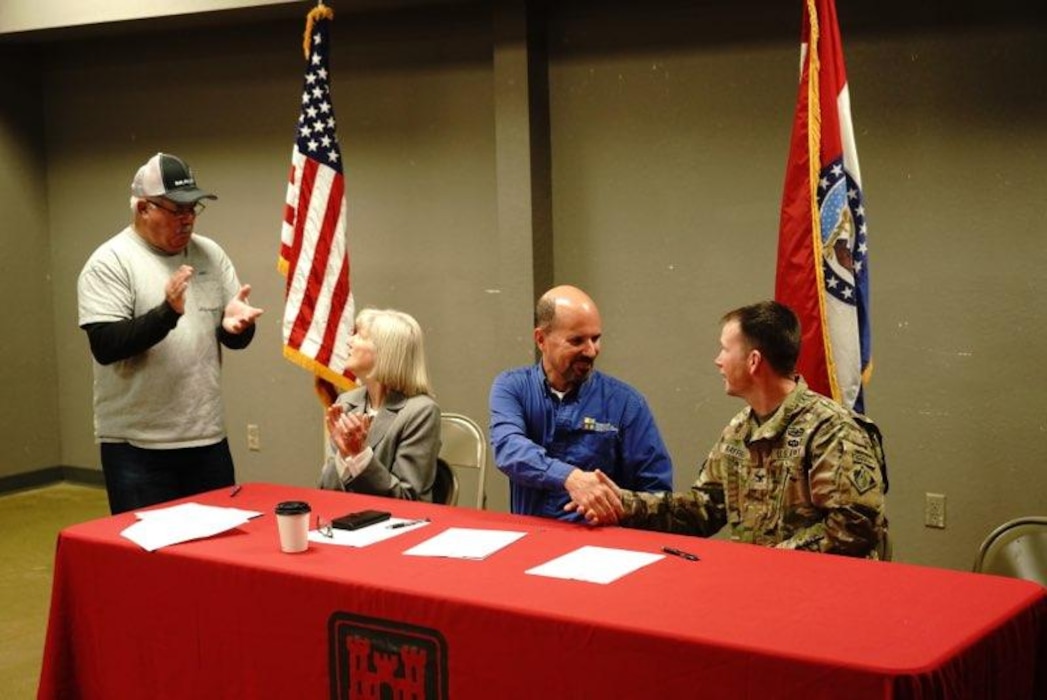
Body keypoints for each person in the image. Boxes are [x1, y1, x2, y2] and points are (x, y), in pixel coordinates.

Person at [577, 300, 887, 558]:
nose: (717, 360)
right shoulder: (740, 429)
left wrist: (766, 562)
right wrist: (623, 503)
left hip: (825, 597)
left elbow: (854, 525)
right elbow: (703, 509)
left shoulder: (830, 429)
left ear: (753, 361)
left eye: (725, 349)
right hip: (763, 587)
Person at [78, 152, 263, 515]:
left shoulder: (210, 254)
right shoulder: (110, 262)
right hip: (137, 447)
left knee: (216, 556)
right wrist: (166, 314)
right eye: (176, 210)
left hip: (207, 437)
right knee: (151, 564)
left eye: (193, 208)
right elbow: (106, 346)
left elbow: (230, 334)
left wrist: (238, 330)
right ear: (143, 208)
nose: (188, 219)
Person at [489, 285, 673, 522]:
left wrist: (618, 509)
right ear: (541, 339)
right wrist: (571, 478)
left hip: (601, 544)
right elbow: (508, 448)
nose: (591, 350)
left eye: (595, 339)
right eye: (577, 341)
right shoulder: (512, 387)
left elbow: (656, 491)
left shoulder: (627, 404)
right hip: (531, 539)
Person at [318, 308, 441, 500]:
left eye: (359, 335)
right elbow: (326, 489)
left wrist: (359, 456)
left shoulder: (421, 411)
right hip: (344, 522)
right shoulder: (347, 402)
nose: (349, 341)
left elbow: (409, 499)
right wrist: (343, 456)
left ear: (385, 351)